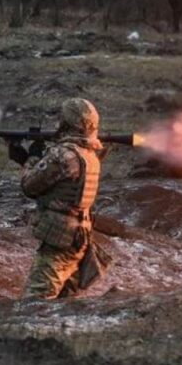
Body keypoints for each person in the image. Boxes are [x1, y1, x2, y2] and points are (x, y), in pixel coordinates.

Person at [8, 98, 110, 299]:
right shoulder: (90, 154)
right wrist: (29, 160)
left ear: (66, 122)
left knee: (36, 299)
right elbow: (62, 184)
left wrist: (31, 158)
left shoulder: (63, 155)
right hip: (78, 236)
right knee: (64, 300)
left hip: (60, 238)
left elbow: (29, 186)